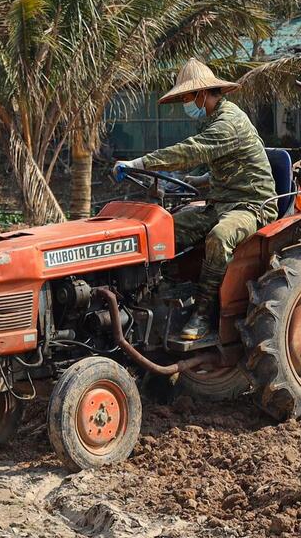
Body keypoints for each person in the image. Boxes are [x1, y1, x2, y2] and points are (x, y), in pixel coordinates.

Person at [116, 59, 276, 341]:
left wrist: (139, 162)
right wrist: (197, 181)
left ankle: (202, 314)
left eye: (188, 97)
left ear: (203, 94)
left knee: (219, 236)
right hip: (220, 203)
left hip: (251, 206)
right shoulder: (214, 119)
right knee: (162, 230)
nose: (186, 104)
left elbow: (191, 152)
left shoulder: (228, 122)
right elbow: (227, 166)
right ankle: (156, 298)